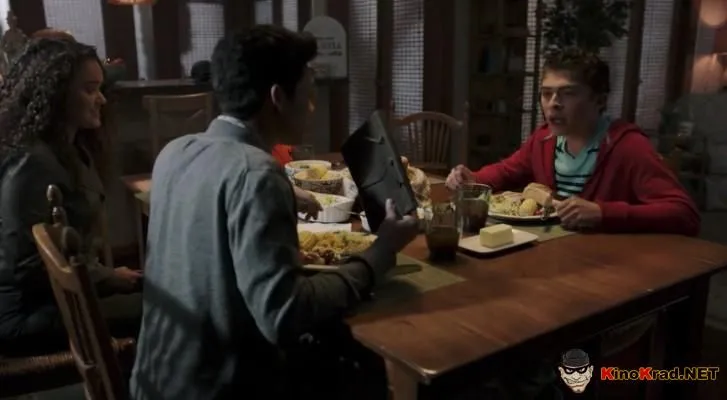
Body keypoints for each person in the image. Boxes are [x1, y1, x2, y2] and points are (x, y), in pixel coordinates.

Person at [129, 25, 419, 400]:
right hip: (214, 389)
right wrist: (381, 252)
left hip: (155, 381)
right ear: (277, 97)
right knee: (365, 366)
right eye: (309, 94)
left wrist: (283, 192)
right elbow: (284, 316)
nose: (312, 108)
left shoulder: (174, 152)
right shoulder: (257, 174)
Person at [446, 48, 700, 236]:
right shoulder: (544, 139)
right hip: (555, 253)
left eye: (567, 94)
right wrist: (472, 179)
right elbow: (506, 171)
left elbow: (684, 214)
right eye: (546, 94)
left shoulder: (627, 146)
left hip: (608, 265)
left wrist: (603, 213)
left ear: (599, 100)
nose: (553, 104)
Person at [0, 38, 143, 356]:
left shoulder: (70, 147)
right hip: (26, 314)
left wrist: (105, 276)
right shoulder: (31, 162)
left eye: (100, 88)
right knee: (160, 309)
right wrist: (107, 278)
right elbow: (26, 266)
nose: (101, 99)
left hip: (61, 294)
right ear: (55, 93)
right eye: (90, 90)